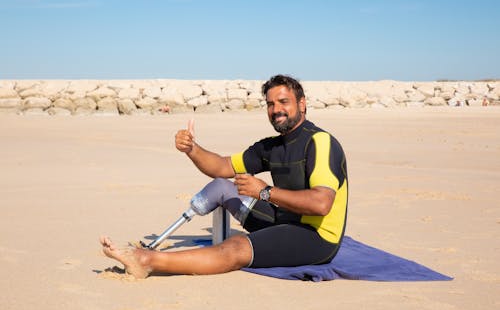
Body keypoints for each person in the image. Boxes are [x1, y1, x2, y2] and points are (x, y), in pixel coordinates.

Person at [100, 74, 348, 278]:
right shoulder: (272, 146)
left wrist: (264, 191)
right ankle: (156, 243)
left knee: (237, 248)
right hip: (283, 219)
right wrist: (192, 149)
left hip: (315, 236)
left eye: (284, 102)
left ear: (302, 104)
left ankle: (146, 260)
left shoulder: (320, 142)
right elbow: (220, 166)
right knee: (221, 186)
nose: (276, 110)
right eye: (271, 104)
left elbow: (321, 203)